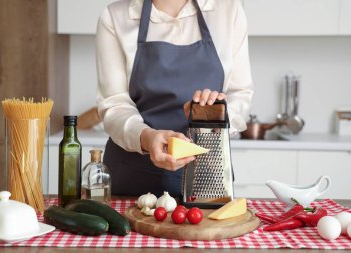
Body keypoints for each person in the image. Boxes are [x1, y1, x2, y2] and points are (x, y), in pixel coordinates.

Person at [96, 0, 253, 197]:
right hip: (132, 175)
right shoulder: (115, 17)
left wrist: (211, 114)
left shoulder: (228, 10)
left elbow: (241, 94)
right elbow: (114, 104)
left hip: (206, 177)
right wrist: (146, 137)